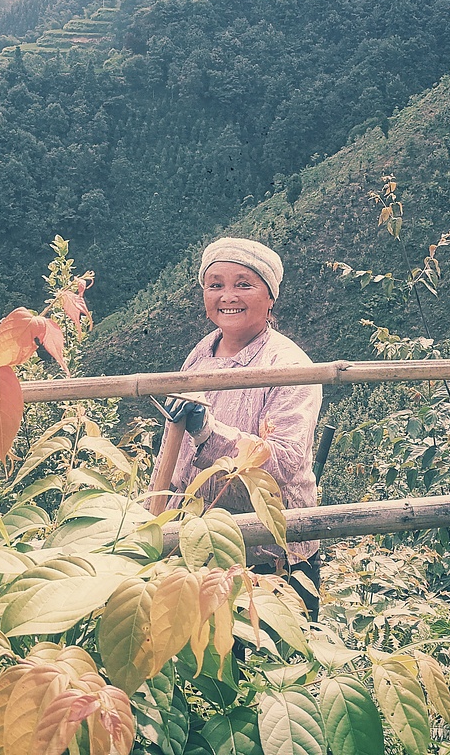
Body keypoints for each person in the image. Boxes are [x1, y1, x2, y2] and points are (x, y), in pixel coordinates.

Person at [156, 236, 324, 617]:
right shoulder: (201, 354)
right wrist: (154, 519)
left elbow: (282, 462)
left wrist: (209, 433)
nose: (227, 296)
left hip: (270, 558)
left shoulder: (291, 366)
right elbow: (173, 450)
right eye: (215, 285)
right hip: (198, 549)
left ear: (270, 297)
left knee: (273, 652)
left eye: (243, 284)